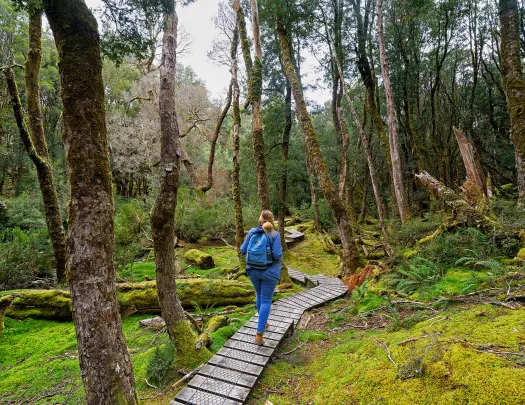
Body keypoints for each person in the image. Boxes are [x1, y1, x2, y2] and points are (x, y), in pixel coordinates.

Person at [240, 209, 283, 345]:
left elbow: (242, 250)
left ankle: (263, 323)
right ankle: (259, 334)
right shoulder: (274, 234)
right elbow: (277, 255)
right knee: (266, 300)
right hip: (269, 272)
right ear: (272, 220)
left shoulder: (252, 231)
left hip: (253, 270)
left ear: (260, 219)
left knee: (259, 295)